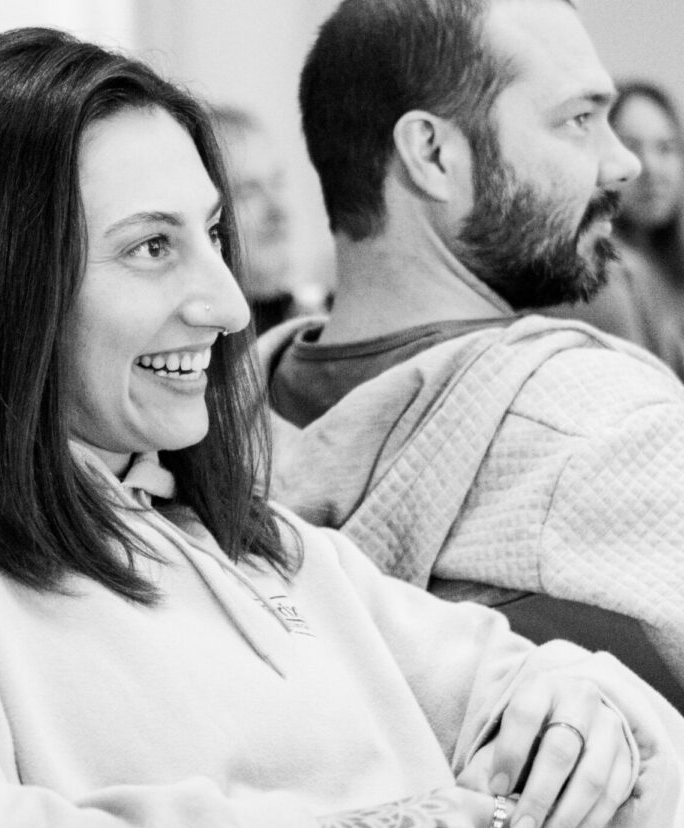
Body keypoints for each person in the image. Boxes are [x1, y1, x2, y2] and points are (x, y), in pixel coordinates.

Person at [0, 26, 684, 828]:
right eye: (151, 248)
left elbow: (602, 755)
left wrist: (583, 727)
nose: (221, 305)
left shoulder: (236, 531)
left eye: (211, 235)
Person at [262, 0, 684, 706]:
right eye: (579, 119)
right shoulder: (621, 430)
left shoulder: (200, 436)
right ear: (432, 154)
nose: (623, 163)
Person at [542, 81, 684, 379]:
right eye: (630, 146)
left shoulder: (666, 270)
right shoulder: (605, 276)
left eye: (666, 148)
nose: (650, 168)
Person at [209, 105, 330, 335]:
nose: (279, 212)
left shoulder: (322, 317)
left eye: (277, 182)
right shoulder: (193, 353)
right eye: (247, 192)